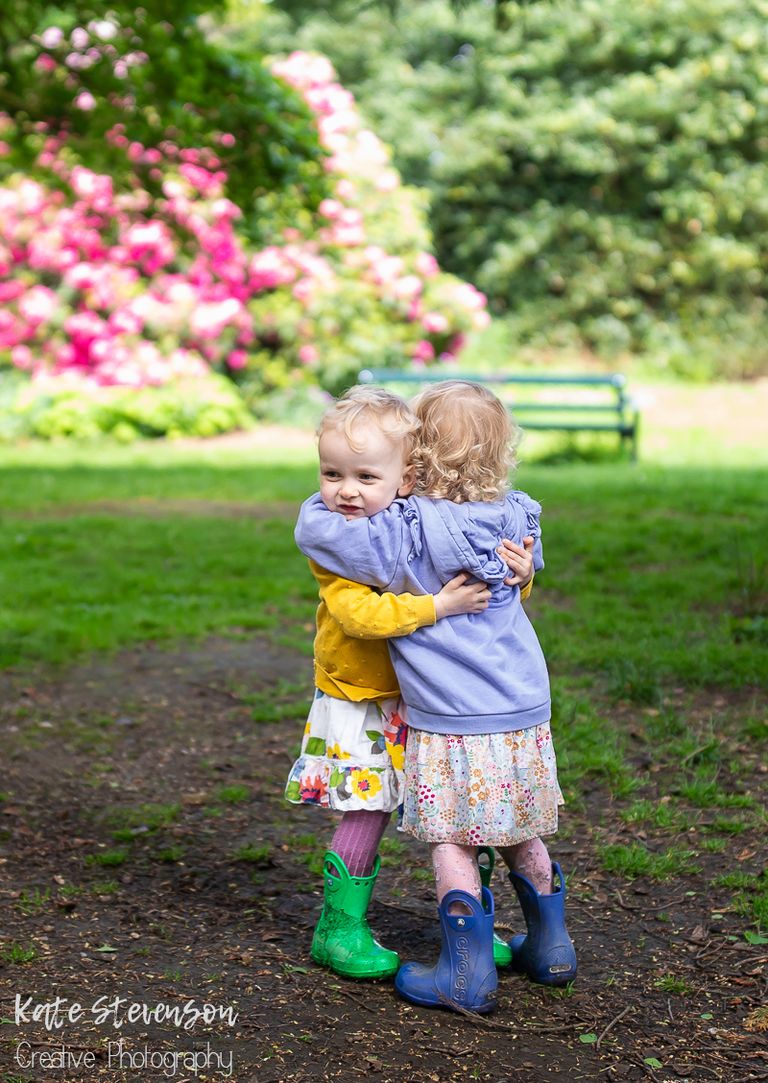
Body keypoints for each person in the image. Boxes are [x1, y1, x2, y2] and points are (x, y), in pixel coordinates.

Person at [295, 380, 577, 1015]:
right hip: (373, 696)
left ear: (413, 463)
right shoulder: (509, 516)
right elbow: (359, 612)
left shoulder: (401, 530)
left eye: (368, 474)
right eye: (331, 474)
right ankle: (342, 931)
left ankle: (468, 958)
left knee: (457, 825)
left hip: (438, 706)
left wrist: (513, 574)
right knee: (397, 812)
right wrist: (458, 596)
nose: (345, 491)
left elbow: (326, 529)